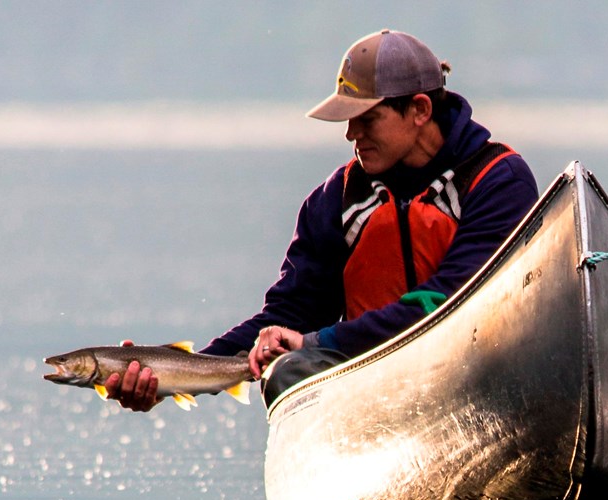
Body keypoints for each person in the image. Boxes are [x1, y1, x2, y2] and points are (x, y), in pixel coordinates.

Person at [106, 28, 539, 412]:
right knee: (287, 369)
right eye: (349, 119)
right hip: (375, 388)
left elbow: (451, 300)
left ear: (420, 109)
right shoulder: (335, 199)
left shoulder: (498, 180)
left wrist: (318, 343)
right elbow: (288, 315)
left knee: (301, 356)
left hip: (481, 372)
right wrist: (172, 373)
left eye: (367, 118)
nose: (352, 134)